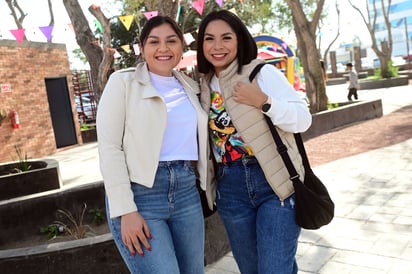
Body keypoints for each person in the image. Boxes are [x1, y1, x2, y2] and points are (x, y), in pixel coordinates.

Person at [197, 10, 312, 274]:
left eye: (226, 37)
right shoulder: (202, 86)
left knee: (274, 269)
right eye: (209, 39)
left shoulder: (261, 73)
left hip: (275, 185)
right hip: (230, 191)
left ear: (239, 40)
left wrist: (263, 102)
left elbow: (303, 120)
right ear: (201, 44)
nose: (217, 46)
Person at [96, 16, 209, 274]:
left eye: (171, 41)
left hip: (187, 193)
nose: (163, 48)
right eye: (154, 42)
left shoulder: (192, 87)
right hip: (142, 195)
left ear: (181, 46)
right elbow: (110, 148)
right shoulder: (122, 83)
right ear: (142, 47)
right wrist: (125, 210)